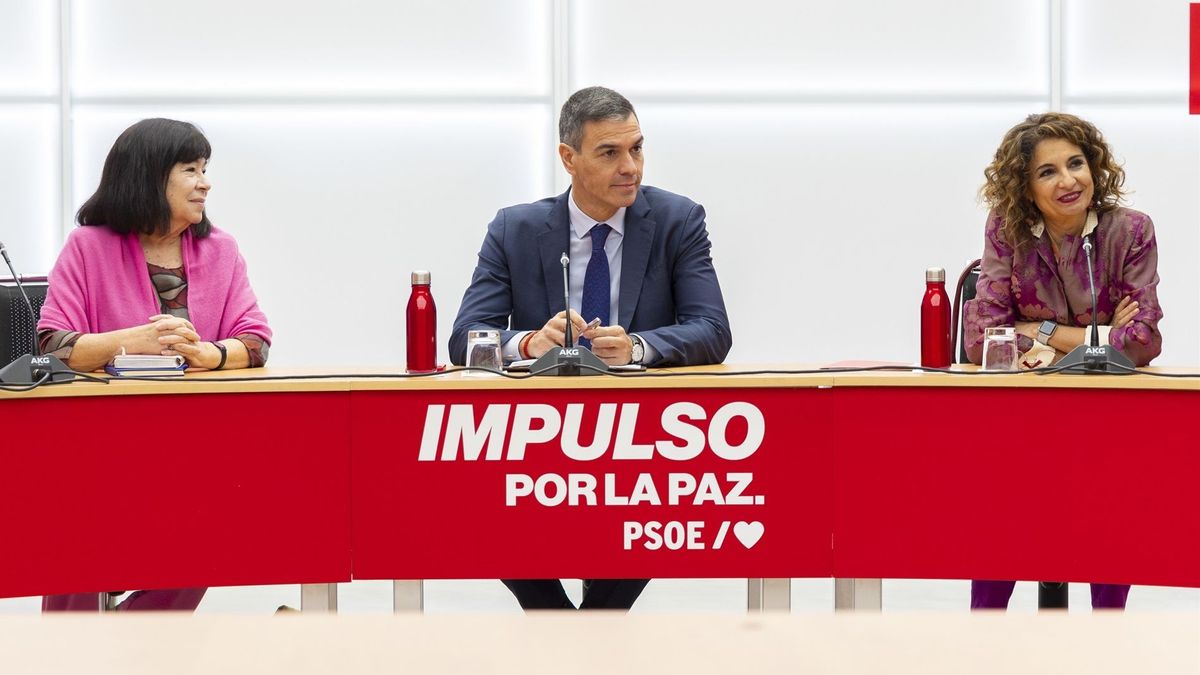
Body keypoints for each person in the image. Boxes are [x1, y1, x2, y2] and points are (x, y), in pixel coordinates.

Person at [450, 86, 732, 610]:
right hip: (538, 438)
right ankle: (565, 626)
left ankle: (591, 629)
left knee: (653, 513)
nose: (631, 167)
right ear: (569, 159)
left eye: (637, 149)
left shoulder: (678, 221)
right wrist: (529, 343)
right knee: (480, 504)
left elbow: (713, 329)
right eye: (610, 153)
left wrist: (639, 347)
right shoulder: (516, 228)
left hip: (641, 442)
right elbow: (467, 338)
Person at [38, 118, 272, 612]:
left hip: (193, 446)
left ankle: (131, 646)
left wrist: (210, 354)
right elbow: (55, 343)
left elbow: (255, 341)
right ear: (148, 177)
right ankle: (66, 654)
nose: (205, 182)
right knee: (73, 528)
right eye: (190, 169)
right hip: (99, 445)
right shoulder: (88, 247)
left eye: (205, 168)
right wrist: (132, 341)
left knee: (210, 538)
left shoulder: (221, 249)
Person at [963, 112, 1162, 610]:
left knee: (1114, 500)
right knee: (1003, 503)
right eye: (1047, 171)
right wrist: (1101, 335)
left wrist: (1043, 332)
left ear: (1094, 167)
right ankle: (983, 635)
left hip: (1107, 415)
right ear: (1026, 188)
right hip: (1024, 417)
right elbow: (982, 339)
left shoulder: (1131, 232)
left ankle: (1105, 633)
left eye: (1076, 163)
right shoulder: (1007, 232)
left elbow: (1139, 341)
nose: (1068, 180)